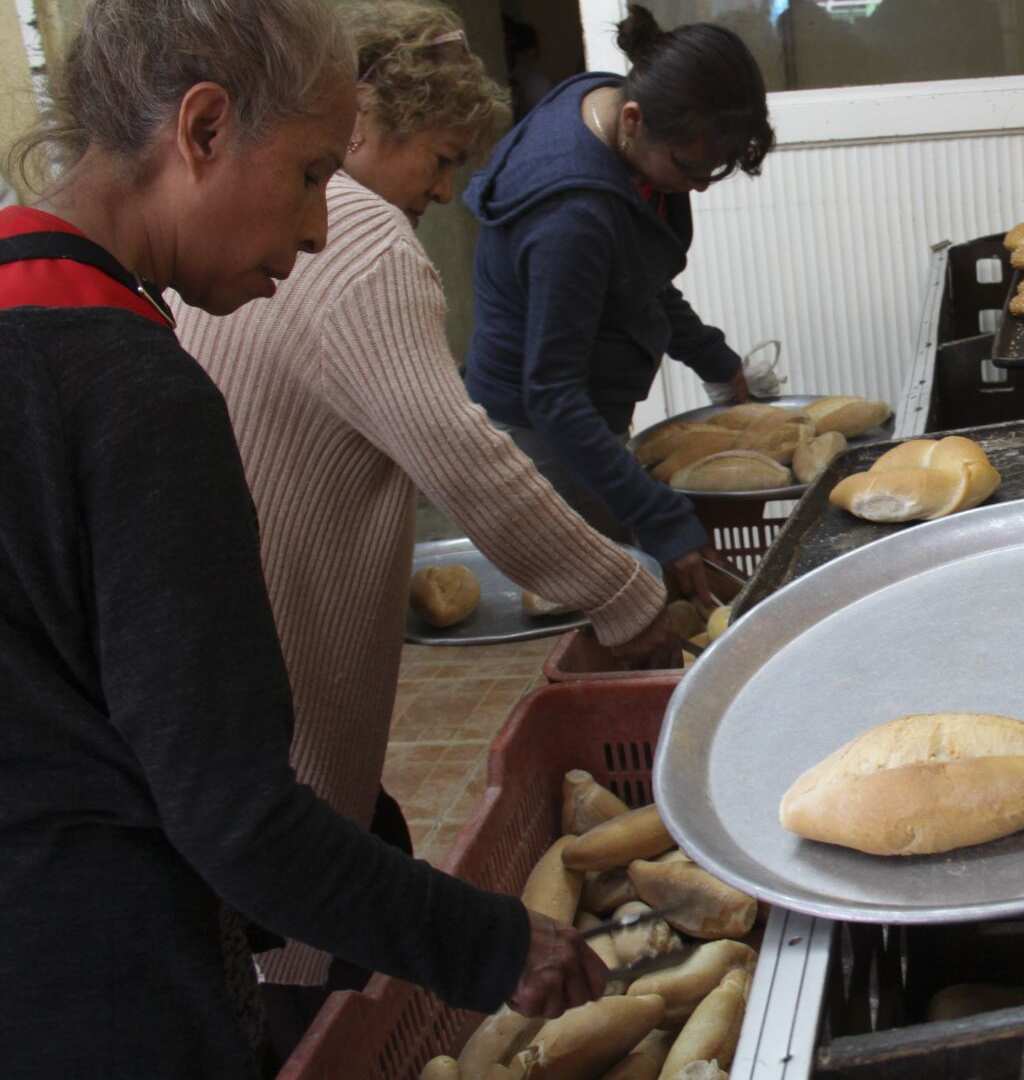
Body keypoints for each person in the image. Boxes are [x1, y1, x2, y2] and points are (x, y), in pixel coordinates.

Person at [0, 2, 604, 1074]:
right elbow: (234, 819)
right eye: (313, 173)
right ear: (203, 130)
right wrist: (494, 943)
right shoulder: (137, 395)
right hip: (98, 982)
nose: (325, 227)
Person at [170, 0, 676, 1058]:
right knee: (303, 958)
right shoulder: (355, 244)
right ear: (363, 128)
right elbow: (468, 461)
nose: (447, 191)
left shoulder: (300, 230)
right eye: (441, 159)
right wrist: (631, 595)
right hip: (277, 673)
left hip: (235, 660)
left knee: (348, 854)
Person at [463, 4, 774, 605]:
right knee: (622, 599)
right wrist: (662, 521)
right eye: (690, 168)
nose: (702, 185)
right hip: (538, 429)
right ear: (632, 120)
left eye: (716, 170)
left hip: (574, 405)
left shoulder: (617, 110)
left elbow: (636, 275)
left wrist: (711, 357)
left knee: (638, 577)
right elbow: (552, 393)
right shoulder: (571, 217)